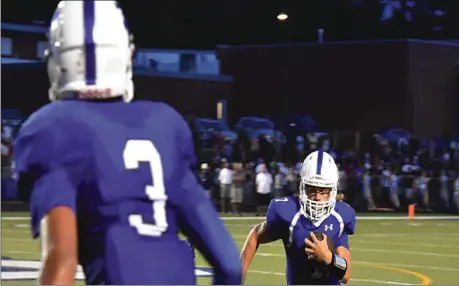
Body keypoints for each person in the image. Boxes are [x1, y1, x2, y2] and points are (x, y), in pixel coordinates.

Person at [13, 1, 241, 285]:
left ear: (59, 61)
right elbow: (230, 265)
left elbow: (62, 260)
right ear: (125, 54)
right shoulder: (165, 125)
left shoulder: (52, 127)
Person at [240, 150, 356, 285]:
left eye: (324, 191)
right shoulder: (288, 212)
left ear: (333, 190)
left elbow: (346, 276)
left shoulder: (341, 216)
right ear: (302, 187)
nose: (318, 197)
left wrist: (328, 257)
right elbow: (256, 235)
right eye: (312, 189)